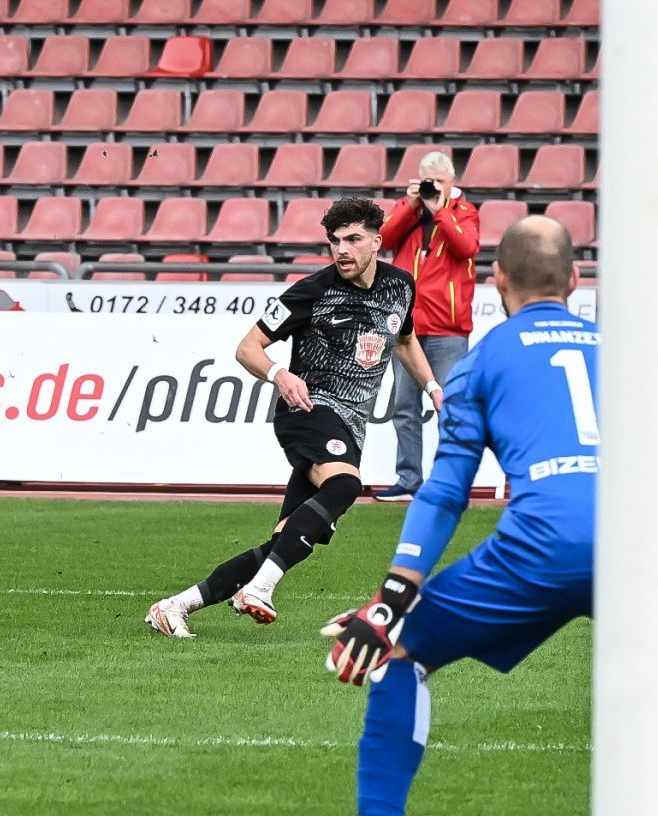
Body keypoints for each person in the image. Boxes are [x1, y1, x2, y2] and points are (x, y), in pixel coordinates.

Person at [270, 216, 658, 816]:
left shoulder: (482, 362)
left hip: (538, 546)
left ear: (496, 281)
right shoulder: (625, 357)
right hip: (636, 548)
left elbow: (446, 492)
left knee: (401, 654)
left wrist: (393, 599)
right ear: (575, 280)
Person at [145, 197, 445, 639]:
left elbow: (404, 340)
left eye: (353, 239)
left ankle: (174, 607)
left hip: (350, 425)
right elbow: (247, 348)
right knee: (345, 485)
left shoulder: (400, 286)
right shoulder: (312, 291)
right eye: (335, 241)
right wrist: (279, 374)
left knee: (286, 542)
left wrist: (434, 387)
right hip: (307, 409)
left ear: (377, 242)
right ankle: (259, 590)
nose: (342, 249)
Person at [373, 150, 480, 503]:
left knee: (450, 407)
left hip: (449, 328)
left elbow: (466, 246)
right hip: (408, 329)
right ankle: (408, 479)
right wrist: (412, 204)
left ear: (453, 182)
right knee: (404, 406)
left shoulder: (465, 212)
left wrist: (440, 210)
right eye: (428, 181)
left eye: (440, 181)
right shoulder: (410, 208)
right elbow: (383, 238)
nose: (435, 186)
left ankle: (449, 481)